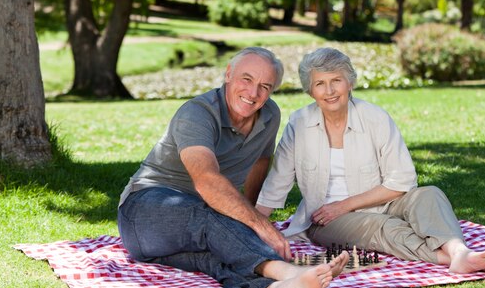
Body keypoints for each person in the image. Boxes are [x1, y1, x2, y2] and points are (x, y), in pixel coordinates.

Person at [118, 47, 349, 288]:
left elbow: (261, 160)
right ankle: (288, 271)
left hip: (182, 238)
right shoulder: (197, 113)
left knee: (221, 260)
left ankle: (277, 286)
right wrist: (258, 225)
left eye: (265, 86)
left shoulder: (269, 115)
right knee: (211, 216)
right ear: (228, 74)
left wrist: (251, 215)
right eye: (246, 79)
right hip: (144, 214)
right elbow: (206, 180)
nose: (253, 92)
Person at [256, 47, 485, 274]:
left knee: (430, 194)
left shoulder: (375, 118)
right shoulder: (299, 124)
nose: (329, 91)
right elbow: (277, 183)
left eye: (336, 81)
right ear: (310, 90)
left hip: (383, 204)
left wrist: (346, 204)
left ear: (349, 83)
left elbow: (402, 180)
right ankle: (446, 259)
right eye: (320, 83)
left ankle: (459, 251)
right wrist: (252, 226)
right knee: (381, 227)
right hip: (327, 220)